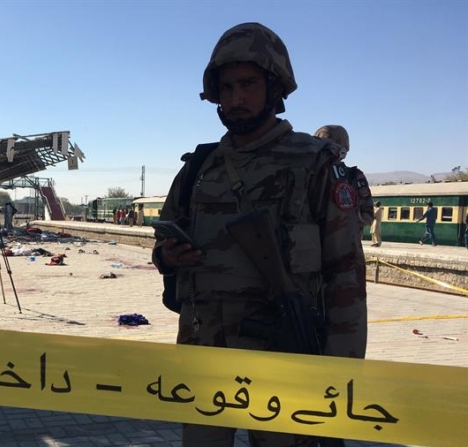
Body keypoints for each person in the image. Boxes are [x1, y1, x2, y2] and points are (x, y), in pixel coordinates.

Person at [153, 23, 366, 447]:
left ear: (274, 88)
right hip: (205, 350)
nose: (236, 99)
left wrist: (341, 374)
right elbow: (164, 241)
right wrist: (168, 255)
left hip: (284, 352)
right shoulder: (199, 167)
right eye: (227, 87)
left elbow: (346, 273)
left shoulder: (315, 163)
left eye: (248, 84)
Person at [314, 125, 374, 231]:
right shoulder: (310, 174)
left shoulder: (352, 176)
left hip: (342, 241)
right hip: (317, 241)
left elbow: (367, 216)